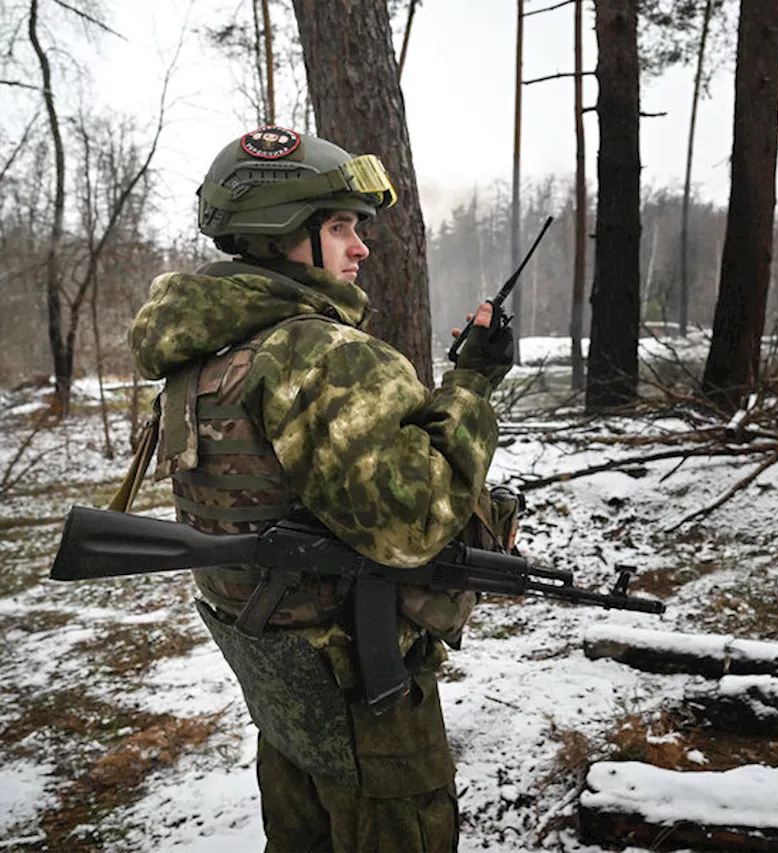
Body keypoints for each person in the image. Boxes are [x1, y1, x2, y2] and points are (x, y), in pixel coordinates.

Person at [126, 125, 516, 853]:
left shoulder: (206, 359)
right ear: (281, 232)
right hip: (367, 704)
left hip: (284, 694)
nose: (361, 247)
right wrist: (471, 386)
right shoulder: (318, 354)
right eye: (340, 226)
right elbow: (414, 523)